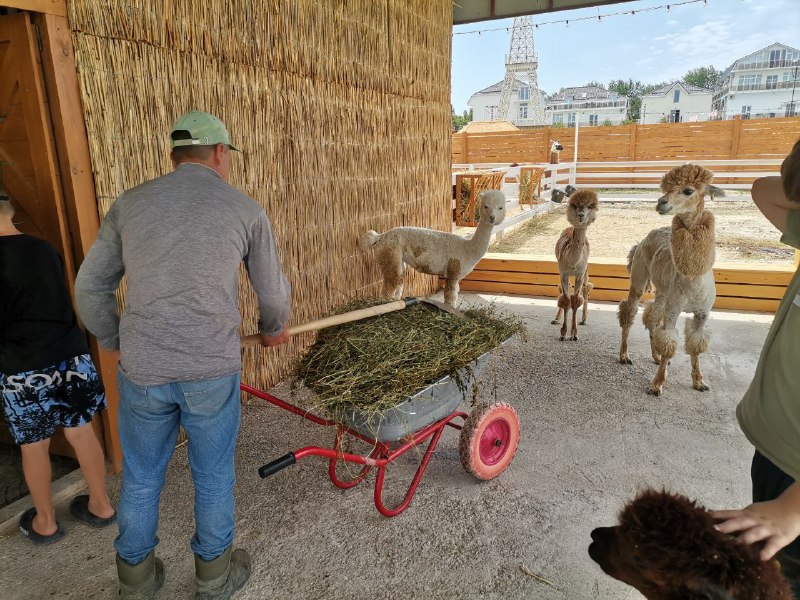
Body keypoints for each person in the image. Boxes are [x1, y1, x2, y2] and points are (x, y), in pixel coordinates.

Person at [75, 111, 292, 600]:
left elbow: (90, 288)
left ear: (175, 155)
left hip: (144, 369)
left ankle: (136, 580)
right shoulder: (244, 209)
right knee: (212, 473)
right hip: (210, 369)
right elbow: (273, 295)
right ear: (220, 153)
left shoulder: (129, 204)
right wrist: (273, 329)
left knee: (142, 474)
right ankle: (214, 578)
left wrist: (114, 340)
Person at [0, 189, 116, 545]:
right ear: (12, 209)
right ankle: (101, 506)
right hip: (71, 358)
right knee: (82, 432)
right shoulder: (44, 248)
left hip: (23, 369)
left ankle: (46, 524)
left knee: (34, 445)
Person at [712, 137, 800, 595]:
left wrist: (795, 509)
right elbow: (765, 188)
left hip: (796, 488)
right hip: (774, 449)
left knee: (781, 583)